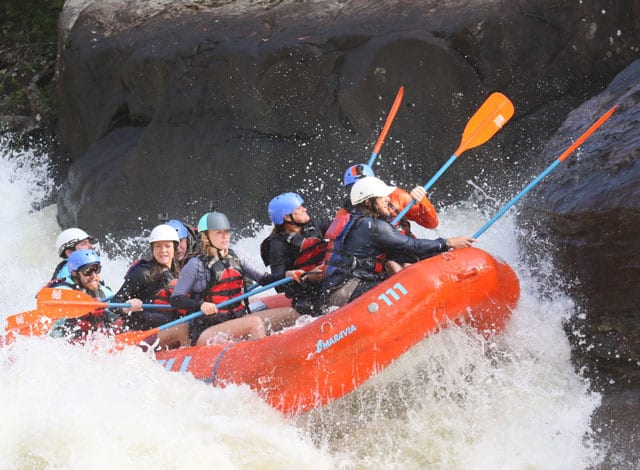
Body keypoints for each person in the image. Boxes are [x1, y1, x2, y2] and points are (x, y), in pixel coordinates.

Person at [323, 176, 475, 308]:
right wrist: (448, 243)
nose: (388, 199)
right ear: (369, 202)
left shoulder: (354, 221)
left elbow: (404, 252)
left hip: (339, 289)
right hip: (346, 291)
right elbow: (411, 245)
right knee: (410, 288)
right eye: (383, 197)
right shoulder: (370, 226)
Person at [170, 211, 302, 347]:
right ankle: (261, 361)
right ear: (205, 237)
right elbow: (176, 299)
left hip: (238, 319)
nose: (225, 236)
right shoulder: (195, 264)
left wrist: (287, 275)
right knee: (254, 324)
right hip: (209, 329)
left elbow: (265, 279)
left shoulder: (236, 256)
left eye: (226, 232)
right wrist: (200, 305)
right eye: (218, 233)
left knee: (291, 314)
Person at [110, 224, 189, 349]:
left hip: (164, 329)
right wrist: (127, 306)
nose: (163, 251)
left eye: (167, 246)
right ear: (152, 249)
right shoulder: (143, 273)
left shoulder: (178, 272)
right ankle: (188, 358)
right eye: (158, 246)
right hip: (142, 334)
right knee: (183, 328)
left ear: (175, 248)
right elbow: (114, 303)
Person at [260, 192, 331, 316]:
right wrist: (307, 277)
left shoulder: (315, 225)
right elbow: (280, 287)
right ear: (287, 217)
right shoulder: (277, 245)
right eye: (299, 208)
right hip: (307, 296)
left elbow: (343, 230)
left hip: (330, 280)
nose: (305, 209)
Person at [49, 249, 119, 342]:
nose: (94, 276)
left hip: (94, 340)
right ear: (75, 274)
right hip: (66, 342)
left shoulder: (104, 291)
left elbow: (116, 312)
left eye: (97, 269)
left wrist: (128, 308)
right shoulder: (64, 291)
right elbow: (53, 326)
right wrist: (84, 310)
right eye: (88, 271)